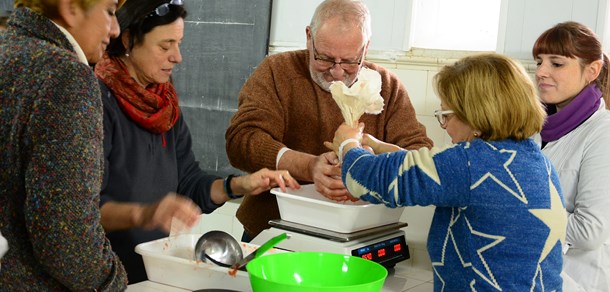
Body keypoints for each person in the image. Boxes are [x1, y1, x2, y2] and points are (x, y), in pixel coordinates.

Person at [93, 0, 300, 283]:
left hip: (155, 271)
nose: (177, 57)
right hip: (104, 274)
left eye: (179, 43)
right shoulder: (96, 103)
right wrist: (146, 213)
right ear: (128, 39)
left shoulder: (164, 105)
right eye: (165, 46)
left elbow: (189, 184)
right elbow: (83, 210)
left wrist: (239, 185)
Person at [328, 53, 566, 291]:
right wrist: (379, 147)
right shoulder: (536, 160)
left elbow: (368, 178)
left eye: (446, 115)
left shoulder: (468, 163)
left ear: (475, 115)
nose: (445, 125)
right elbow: (433, 170)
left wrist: (347, 145)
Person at [225, 0, 432, 241]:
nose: (336, 71)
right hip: (275, 229)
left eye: (349, 61)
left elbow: (421, 156)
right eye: (324, 58)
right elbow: (241, 141)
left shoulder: (387, 86)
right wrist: (309, 166)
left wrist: (367, 167)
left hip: (361, 235)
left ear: (366, 48)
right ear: (308, 37)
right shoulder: (277, 71)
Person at [0, 0, 127, 290]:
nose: (116, 29)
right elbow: (66, 238)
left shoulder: (8, 54)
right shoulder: (67, 76)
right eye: (109, 11)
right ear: (70, 8)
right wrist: (113, 283)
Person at [533, 21, 610, 291]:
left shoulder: (603, 132)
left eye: (556, 63)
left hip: (577, 278)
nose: (541, 71)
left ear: (592, 70)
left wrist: (520, 215)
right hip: (534, 272)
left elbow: (591, 231)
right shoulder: (537, 126)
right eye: (539, 61)